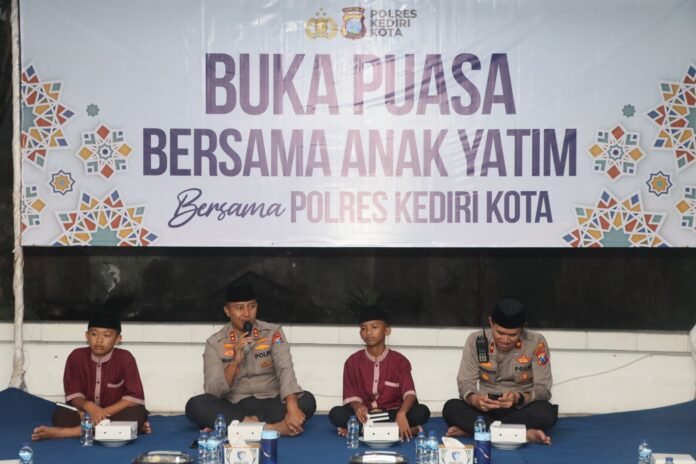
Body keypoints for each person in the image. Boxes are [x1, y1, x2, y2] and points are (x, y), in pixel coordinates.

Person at [185, 282, 316, 436]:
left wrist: (292, 405)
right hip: (235, 405)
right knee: (195, 405)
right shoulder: (215, 343)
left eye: (251, 306)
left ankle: (239, 426)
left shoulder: (273, 333)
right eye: (239, 308)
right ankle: (272, 429)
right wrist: (234, 362)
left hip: (270, 401)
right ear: (227, 311)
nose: (247, 314)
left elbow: (285, 368)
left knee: (307, 400)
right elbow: (213, 392)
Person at [442, 298, 557, 445]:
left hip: (520, 409)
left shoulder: (537, 343)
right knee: (451, 407)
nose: (505, 340)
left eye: (513, 335)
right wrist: (475, 400)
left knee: (547, 413)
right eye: (500, 333)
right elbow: (465, 382)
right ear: (491, 322)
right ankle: (522, 434)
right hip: (486, 408)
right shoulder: (476, 341)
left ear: (523, 328)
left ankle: (479, 430)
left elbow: (544, 389)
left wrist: (519, 397)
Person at [32, 312, 150, 440]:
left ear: (118, 339)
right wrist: (89, 407)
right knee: (61, 414)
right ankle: (125, 429)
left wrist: (100, 413)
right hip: (85, 411)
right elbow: (74, 395)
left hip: (114, 411)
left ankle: (67, 432)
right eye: (94, 334)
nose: (99, 340)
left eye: (106, 335)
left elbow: (132, 399)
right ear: (87, 336)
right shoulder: (76, 357)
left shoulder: (125, 358)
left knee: (137, 413)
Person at [328, 299, 430, 441]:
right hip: (366, 415)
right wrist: (358, 407)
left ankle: (361, 430)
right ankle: (398, 430)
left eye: (374, 327)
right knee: (336, 414)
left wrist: (401, 413)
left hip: (393, 413)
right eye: (363, 328)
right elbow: (351, 397)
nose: (368, 332)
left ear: (387, 330)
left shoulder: (399, 361)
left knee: (422, 412)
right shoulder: (352, 362)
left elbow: (410, 394)